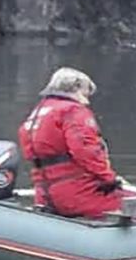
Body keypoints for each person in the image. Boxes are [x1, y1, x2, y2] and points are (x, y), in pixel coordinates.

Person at [18, 67, 124, 218]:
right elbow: (85, 150)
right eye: (86, 94)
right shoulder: (72, 111)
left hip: (44, 193)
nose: (87, 101)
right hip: (77, 192)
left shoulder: (38, 113)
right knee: (133, 203)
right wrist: (108, 178)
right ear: (76, 88)